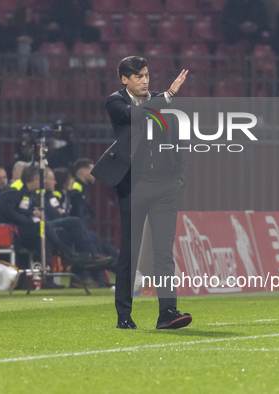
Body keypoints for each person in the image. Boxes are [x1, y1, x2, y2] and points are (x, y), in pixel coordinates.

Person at [91, 56, 191, 330]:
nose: (145, 80)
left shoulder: (163, 101)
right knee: (130, 252)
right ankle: (124, 313)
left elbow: (177, 140)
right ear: (124, 79)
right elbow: (135, 115)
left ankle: (167, 312)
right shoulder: (116, 102)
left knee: (163, 252)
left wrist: (180, 177)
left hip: (166, 187)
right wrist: (168, 95)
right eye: (138, 76)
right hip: (133, 186)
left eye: (146, 74)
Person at [0, 165, 106, 270]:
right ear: (36, 179)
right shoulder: (14, 189)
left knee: (72, 222)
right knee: (42, 227)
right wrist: (29, 219)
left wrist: (32, 213)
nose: (44, 183)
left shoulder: (30, 191)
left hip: (27, 225)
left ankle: (88, 256)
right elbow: (6, 211)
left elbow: (22, 208)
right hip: (12, 229)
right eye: (42, 179)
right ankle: (67, 254)